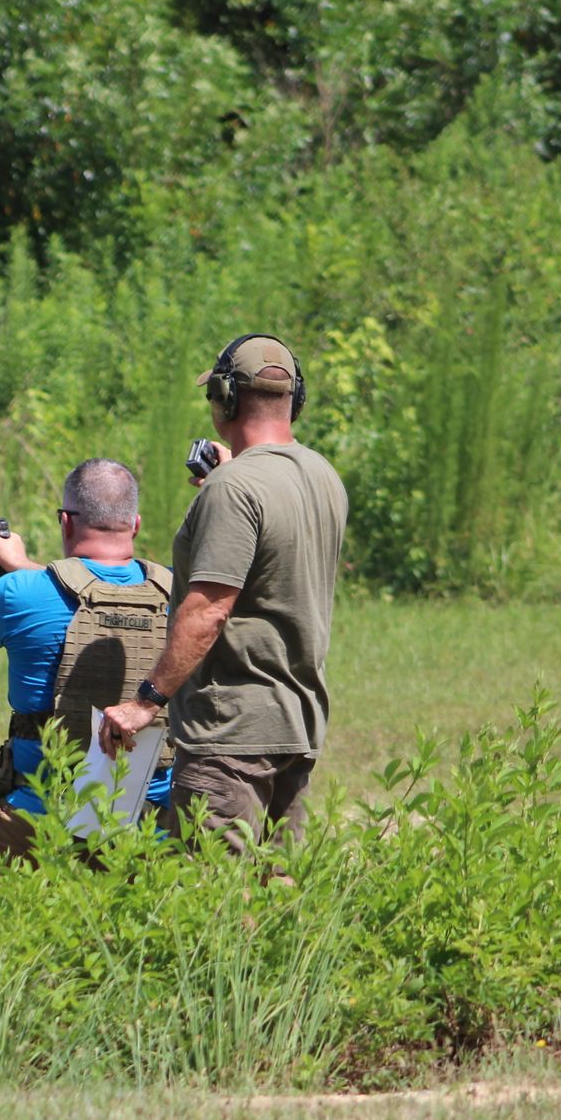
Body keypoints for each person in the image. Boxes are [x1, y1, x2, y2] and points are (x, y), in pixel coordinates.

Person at [98, 334, 347, 854]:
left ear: (225, 397)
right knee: (275, 889)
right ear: (294, 399)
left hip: (230, 733)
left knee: (209, 898)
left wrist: (146, 704)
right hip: (295, 720)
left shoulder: (233, 491)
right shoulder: (322, 475)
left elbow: (209, 610)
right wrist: (231, 475)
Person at [0, 458, 174, 875]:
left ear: (65, 522)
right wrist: (22, 562)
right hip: (149, 819)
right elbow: (102, 590)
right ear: (134, 524)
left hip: (38, 819)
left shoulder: (23, 593)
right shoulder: (175, 592)